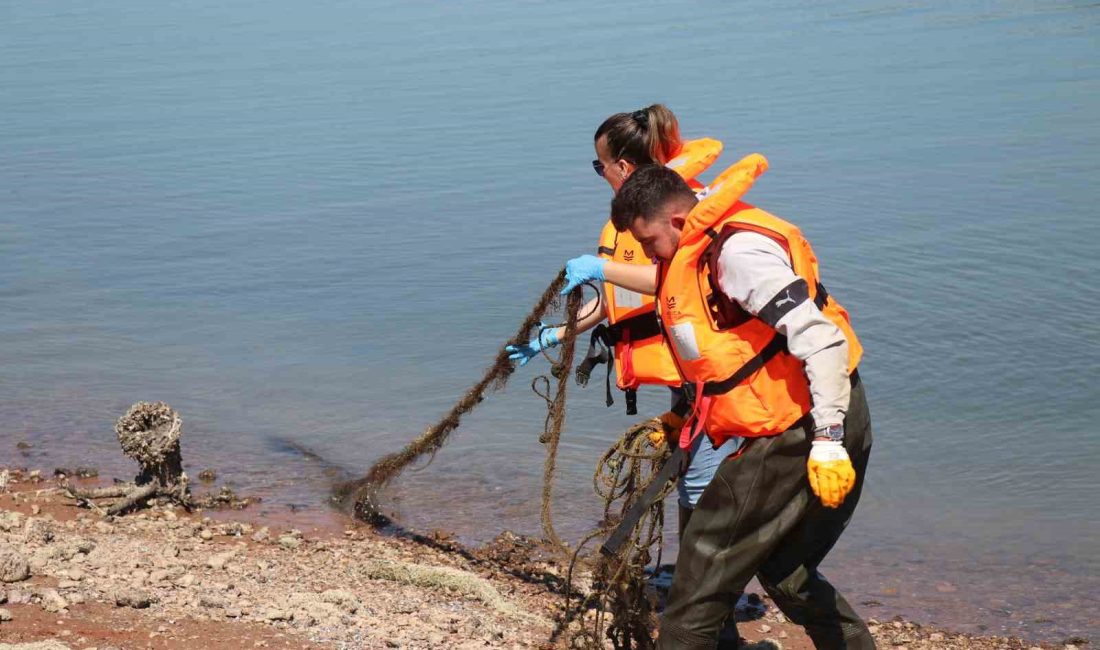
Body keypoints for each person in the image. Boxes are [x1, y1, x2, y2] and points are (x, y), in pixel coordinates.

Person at [565, 158, 875, 649]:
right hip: (790, 420)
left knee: (701, 573)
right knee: (786, 573)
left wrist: (828, 439)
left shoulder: (739, 255)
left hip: (808, 421)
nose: (648, 255)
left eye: (648, 243)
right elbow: (723, 360)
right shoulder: (688, 253)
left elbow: (823, 341)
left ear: (677, 221)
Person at [504, 105, 739, 531]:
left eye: (600, 166)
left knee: (702, 483)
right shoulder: (631, 222)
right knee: (690, 475)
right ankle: (694, 583)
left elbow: (668, 278)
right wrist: (553, 336)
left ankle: (704, 588)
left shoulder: (680, 209)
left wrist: (600, 268)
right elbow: (622, 302)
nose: (600, 175)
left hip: (715, 374)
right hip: (686, 375)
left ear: (624, 166)